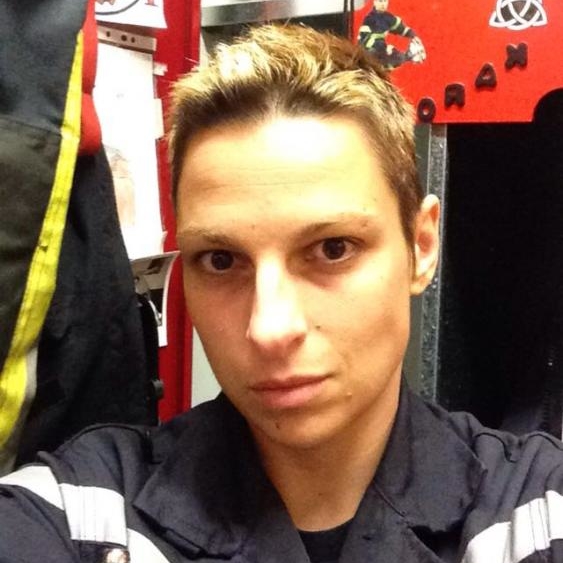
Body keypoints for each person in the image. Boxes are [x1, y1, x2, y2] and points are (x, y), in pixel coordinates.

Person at [1, 23, 563, 563]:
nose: (269, 328)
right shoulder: (81, 515)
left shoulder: (535, 514)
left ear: (421, 247)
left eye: (333, 249)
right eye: (221, 260)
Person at [358, 0, 426, 69]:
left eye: (385, 1)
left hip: (381, 52)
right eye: (380, 1)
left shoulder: (388, 17)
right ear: (375, 2)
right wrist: (384, 49)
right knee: (393, 56)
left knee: (396, 57)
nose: (383, 4)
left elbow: (400, 29)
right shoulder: (369, 19)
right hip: (368, 53)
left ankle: (408, 56)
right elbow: (365, 40)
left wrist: (413, 35)